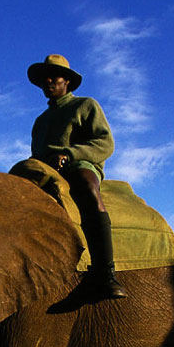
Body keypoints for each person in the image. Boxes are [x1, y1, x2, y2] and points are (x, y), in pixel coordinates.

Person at [27, 54, 127, 300]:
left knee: (86, 186)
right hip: (45, 171)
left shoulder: (85, 105)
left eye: (54, 76)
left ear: (67, 82)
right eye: (44, 78)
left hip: (78, 164)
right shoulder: (40, 122)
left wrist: (70, 155)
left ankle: (106, 274)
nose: (48, 81)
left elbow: (105, 143)